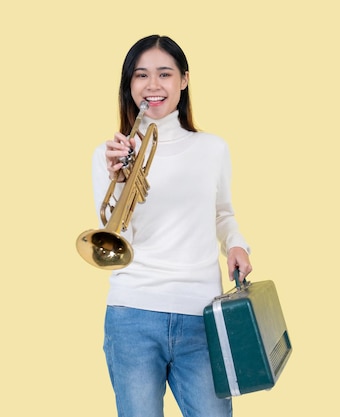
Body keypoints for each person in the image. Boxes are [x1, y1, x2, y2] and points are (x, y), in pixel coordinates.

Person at [89, 34, 252, 417]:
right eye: (141, 75)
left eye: (165, 73)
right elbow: (115, 238)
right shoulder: (109, 153)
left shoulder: (213, 148)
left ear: (184, 79)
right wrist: (119, 176)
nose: (153, 85)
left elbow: (223, 213)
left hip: (202, 318)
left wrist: (236, 244)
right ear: (129, 86)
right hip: (132, 314)